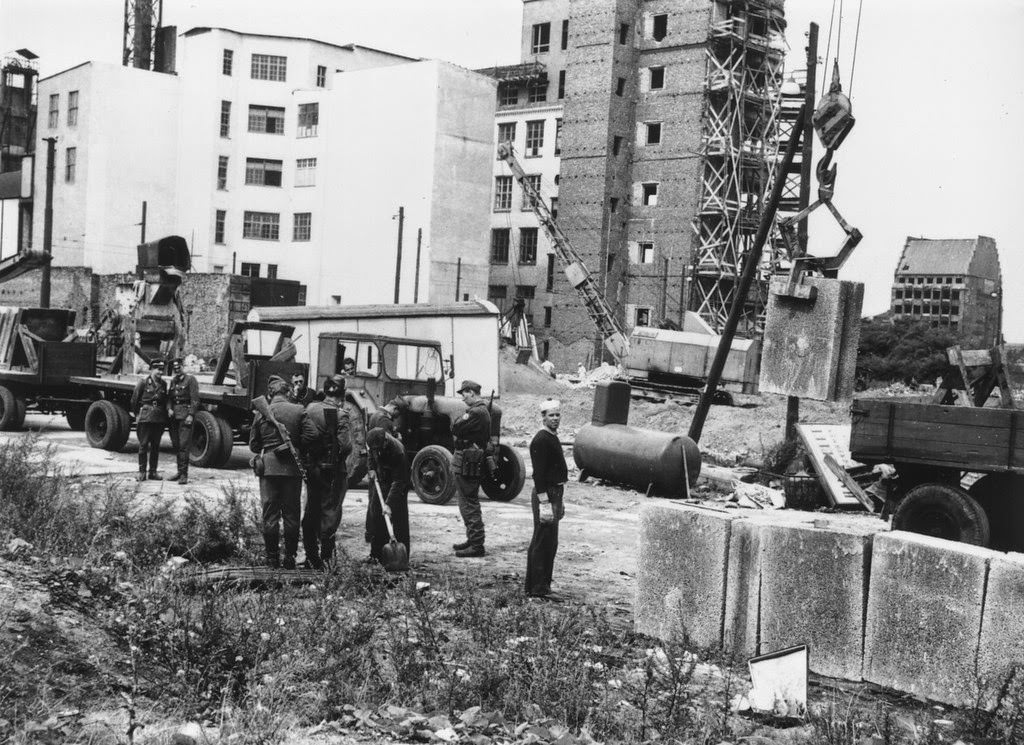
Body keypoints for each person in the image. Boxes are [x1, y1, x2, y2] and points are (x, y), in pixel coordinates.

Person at [250, 375, 306, 569]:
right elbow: (309, 437)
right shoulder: (299, 410)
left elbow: (254, 445)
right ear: (288, 392)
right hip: (292, 468)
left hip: (269, 469)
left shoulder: (261, 413)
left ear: (270, 394)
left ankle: (272, 558)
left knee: (270, 514)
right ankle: (290, 557)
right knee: (291, 514)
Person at [299, 374, 352, 570]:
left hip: (311, 468)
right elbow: (346, 446)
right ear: (342, 394)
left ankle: (310, 557)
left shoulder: (310, 408)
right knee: (330, 511)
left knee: (310, 509)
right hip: (333, 472)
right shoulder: (341, 414)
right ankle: (327, 559)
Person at [526, 399, 568, 598]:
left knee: (550, 542)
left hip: (555, 493)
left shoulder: (552, 436)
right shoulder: (541, 440)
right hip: (547, 494)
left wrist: (560, 501)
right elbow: (539, 475)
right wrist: (544, 503)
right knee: (542, 541)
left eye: (557, 415)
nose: (555, 419)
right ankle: (537, 589)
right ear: (543, 417)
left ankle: (542, 585)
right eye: (551, 415)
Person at [451, 379, 491, 558]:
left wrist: (458, 421)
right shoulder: (481, 410)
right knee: (466, 501)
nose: (462, 398)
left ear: (472, 393)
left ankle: (476, 544)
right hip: (468, 459)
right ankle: (472, 539)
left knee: (469, 503)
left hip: (469, 460)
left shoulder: (476, 412)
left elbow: (456, 427)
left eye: (464, 394)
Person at [365, 426, 410, 566]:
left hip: (398, 486)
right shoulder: (374, 443)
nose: (377, 450)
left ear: (385, 441)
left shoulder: (398, 451)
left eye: (379, 448)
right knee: (377, 518)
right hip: (381, 482)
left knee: (399, 521)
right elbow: (371, 456)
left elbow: (399, 481)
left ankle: (402, 558)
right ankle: (376, 555)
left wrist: (389, 504)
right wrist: (371, 469)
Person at [130, 357, 168, 482]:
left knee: (156, 446)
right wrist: (136, 415)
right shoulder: (143, 383)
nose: (160, 372)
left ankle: (153, 472)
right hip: (145, 417)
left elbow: (164, 401)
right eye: (157, 369)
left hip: (159, 419)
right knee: (143, 445)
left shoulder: (163, 384)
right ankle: (142, 472)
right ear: (151, 369)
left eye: (162, 370)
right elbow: (135, 400)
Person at [167, 357, 200, 484]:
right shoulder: (174, 381)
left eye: (179, 367)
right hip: (174, 416)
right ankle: (179, 472)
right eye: (175, 368)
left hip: (185, 416)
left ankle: (184, 475)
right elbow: (170, 398)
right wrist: (169, 408)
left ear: (183, 367)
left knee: (183, 446)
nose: (177, 370)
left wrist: (191, 415)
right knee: (176, 445)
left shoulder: (191, 380)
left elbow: (195, 399)